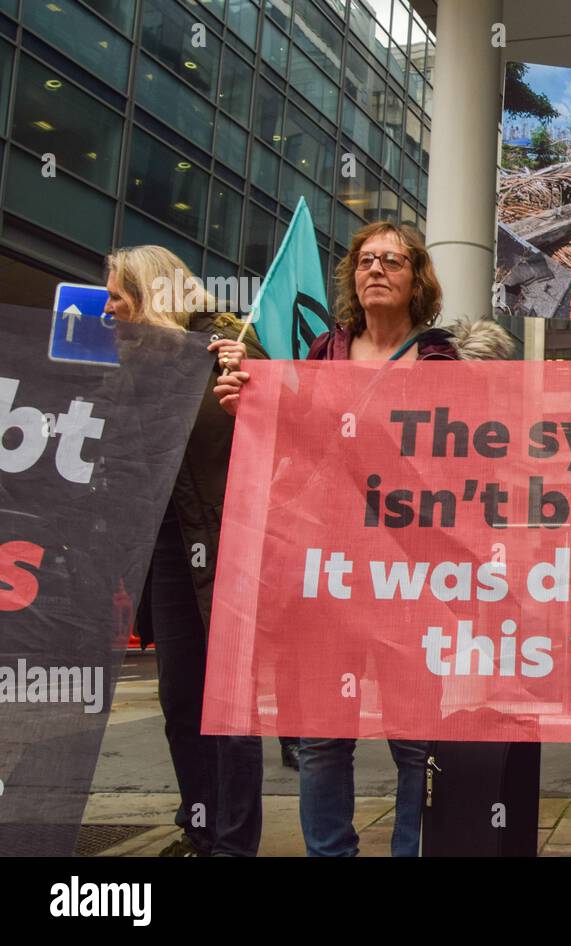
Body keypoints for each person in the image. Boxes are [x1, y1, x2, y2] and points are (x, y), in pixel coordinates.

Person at [216, 222, 515, 856]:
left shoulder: (443, 363)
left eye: (393, 261)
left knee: (414, 737)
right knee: (323, 738)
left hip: (409, 577)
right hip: (325, 573)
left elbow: (472, 466)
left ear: (417, 280)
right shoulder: (322, 353)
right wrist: (249, 405)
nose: (376, 269)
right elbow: (292, 447)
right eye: (366, 260)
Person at [103, 245, 268, 857]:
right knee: (181, 698)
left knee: (226, 703)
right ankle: (199, 825)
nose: (110, 308)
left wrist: (243, 375)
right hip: (169, 549)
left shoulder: (229, 344)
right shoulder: (127, 363)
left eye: (119, 295)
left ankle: (232, 842)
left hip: (226, 545)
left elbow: (277, 421)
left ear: (151, 294)